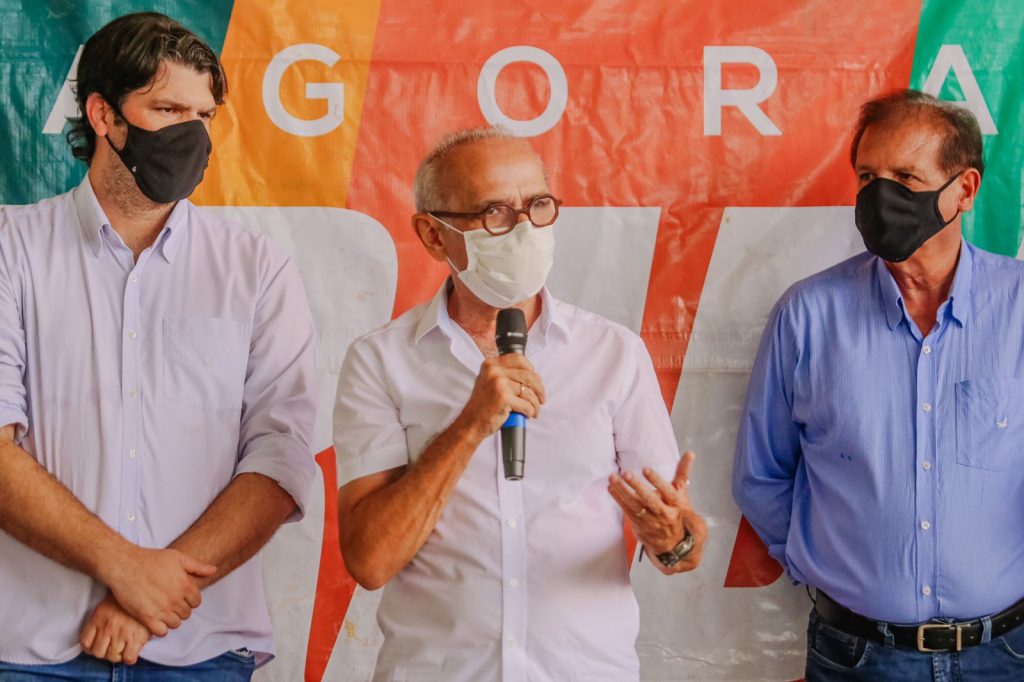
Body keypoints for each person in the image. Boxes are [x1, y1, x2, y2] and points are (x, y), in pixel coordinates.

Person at [0, 12, 317, 679]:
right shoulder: (11, 248)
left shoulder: (256, 268)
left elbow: (279, 457)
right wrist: (125, 568)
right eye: (168, 109)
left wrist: (151, 596)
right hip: (30, 649)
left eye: (204, 115)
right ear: (104, 115)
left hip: (200, 649)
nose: (191, 133)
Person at [333, 125, 708, 682]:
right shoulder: (381, 361)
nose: (524, 229)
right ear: (433, 236)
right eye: (495, 213)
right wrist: (468, 427)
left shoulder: (613, 353)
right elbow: (370, 561)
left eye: (537, 206)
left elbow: (683, 545)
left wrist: (673, 539)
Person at [733, 89, 1024, 681]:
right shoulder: (807, 316)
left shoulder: (1019, 308)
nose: (879, 196)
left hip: (1004, 653)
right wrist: (826, 566)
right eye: (868, 176)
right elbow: (761, 475)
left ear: (964, 189)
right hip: (857, 654)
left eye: (906, 177)